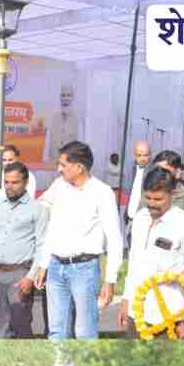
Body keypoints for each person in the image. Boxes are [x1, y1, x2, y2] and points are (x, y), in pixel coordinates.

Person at [34, 141, 123, 340]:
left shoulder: (102, 193)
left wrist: (110, 280)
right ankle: (59, 362)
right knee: (56, 331)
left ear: (79, 167)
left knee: (85, 332)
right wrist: (43, 264)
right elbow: (50, 225)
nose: (59, 169)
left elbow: (114, 239)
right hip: (56, 267)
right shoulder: (59, 186)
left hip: (84, 269)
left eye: (63, 165)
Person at [119, 167, 184, 339]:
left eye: (158, 199)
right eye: (148, 198)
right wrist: (126, 300)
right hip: (136, 311)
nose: (152, 204)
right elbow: (133, 264)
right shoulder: (140, 218)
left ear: (173, 194)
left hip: (169, 314)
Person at [0, 162, 47, 338]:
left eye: (14, 182)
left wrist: (30, 277)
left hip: (20, 273)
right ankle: (2, 356)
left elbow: (42, 246)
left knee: (20, 323)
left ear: (25, 182)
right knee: (0, 325)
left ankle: (25, 356)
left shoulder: (37, 209)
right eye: (6, 182)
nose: (9, 186)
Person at [140, 150, 184, 218]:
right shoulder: (147, 193)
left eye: (164, 171)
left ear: (177, 172)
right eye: (156, 170)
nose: (159, 174)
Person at [42, 84, 78, 165]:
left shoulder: (77, 119)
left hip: (70, 163)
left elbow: (80, 144)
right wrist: (45, 159)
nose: (66, 98)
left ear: (72, 97)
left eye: (69, 95)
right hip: (53, 162)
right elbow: (47, 140)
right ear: (60, 97)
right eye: (63, 95)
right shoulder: (53, 117)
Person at [125, 140, 153, 234]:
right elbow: (132, 193)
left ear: (150, 155)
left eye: (145, 155)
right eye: (139, 155)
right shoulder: (132, 168)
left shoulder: (153, 172)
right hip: (130, 218)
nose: (142, 158)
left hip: (145, 220)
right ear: (134, 155)